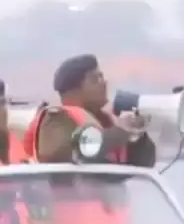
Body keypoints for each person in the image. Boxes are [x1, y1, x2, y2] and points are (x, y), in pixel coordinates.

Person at [23, 54, 155, 167]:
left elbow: (142, 165)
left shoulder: (105, 122)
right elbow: (76, 151)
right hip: (69, 197)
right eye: (95, 79)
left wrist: (137, 137)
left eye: (102, 77)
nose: (103, 83)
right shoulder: (55, 120)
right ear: (73, 91)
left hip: (107, 195)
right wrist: (122, 131)